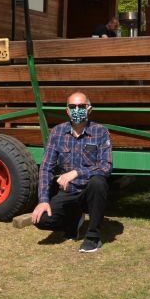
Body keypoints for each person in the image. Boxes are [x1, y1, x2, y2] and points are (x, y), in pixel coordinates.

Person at [12, 91, 112, 253]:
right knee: (41, 220)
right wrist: (43, 200)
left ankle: (93, 237)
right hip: (69, 191)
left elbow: (106, 166)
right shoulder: (57, 132)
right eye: (73, 106)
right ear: (67, 111)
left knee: (98, 182)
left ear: (89, 109)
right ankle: (73, 220)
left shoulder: (100, 132)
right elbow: (46, 168)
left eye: (81, 106)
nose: (77, 110)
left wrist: (77, 172)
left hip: (90, 190)